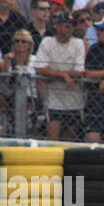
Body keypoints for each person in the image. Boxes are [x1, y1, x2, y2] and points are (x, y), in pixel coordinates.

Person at [35, 10, 86, 140]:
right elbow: (40, 68)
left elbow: (79, 72)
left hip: (74, 99)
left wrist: (55, 73)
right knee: (53, 137)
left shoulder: (78, 43)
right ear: (57, 26)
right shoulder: (47, 42)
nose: (70, 28)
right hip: (53, 100)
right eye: (66, 25)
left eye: (72, 25)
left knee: (70, 139)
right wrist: (64, 75)